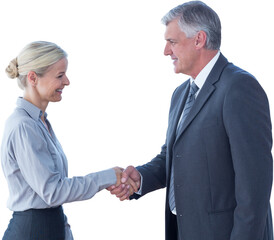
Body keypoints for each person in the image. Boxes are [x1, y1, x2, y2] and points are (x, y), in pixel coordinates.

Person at [108, 1, 273, 240]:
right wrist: (141, 178)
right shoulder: (180, 94)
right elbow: (172, 156)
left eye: (172, 42)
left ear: (199, 40)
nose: (166, 51)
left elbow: (254, 188)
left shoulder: (239, 88)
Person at [1, 41, 136, 240]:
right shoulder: (24, 126)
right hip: (32, 232)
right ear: (32, 78)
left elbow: (51, 195)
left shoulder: (39, 122)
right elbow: (53, 192)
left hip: (48, 229)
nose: (67, 81)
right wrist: (107, 177)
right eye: (59, 75)